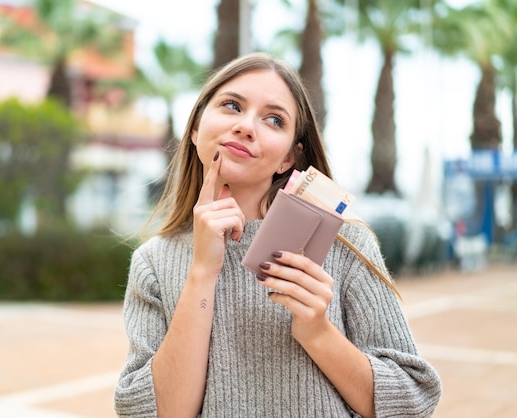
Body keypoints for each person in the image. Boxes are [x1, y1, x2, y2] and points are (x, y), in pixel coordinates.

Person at [114, 52, 442, 417]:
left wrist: (318, 331)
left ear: (290, 157)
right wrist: (203, 272)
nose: (247, 126)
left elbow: (413, 399)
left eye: (274, 119)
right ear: (195, 128)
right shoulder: (154, 262)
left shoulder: (346, 246)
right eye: (231, 105)